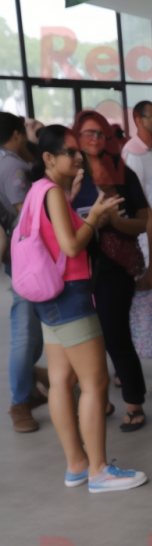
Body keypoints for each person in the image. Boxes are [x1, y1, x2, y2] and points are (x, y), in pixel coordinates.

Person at [19, 124, 147, 491]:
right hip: (71, 294)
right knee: (95, 382)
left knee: (61, 381)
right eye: (71, 152)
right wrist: (95, 217)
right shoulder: (53, 194)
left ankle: (77, 465)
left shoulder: (37, 192)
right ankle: (99, 471)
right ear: (48, 158)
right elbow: (72, 247)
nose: (79, 157)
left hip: (47, 299)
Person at [71, 110, 152, 432]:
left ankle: (134, 402)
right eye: (87, 133)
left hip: (113, 268)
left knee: (115, 336)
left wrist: (114, 221)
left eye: (100, 133)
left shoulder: (123, 173)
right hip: (75, 268)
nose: (94, 139)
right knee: (84, 341)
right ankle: (98, 398)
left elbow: (144, 222)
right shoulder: (69, 175)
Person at [1, 112, 47, 433]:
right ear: (17, 134)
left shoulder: (9, 161)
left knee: (31, 327)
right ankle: (19, 402)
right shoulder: (13, 167)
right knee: (25, 329)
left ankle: (28, 388)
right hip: (27, 256)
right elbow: (27, 215)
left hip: (14, 256)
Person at [122, 101, 152, 265]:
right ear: (139, 121)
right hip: (146, 233)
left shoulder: (151, 148)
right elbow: (135, 202)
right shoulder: (133, 154)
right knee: (151, 282)